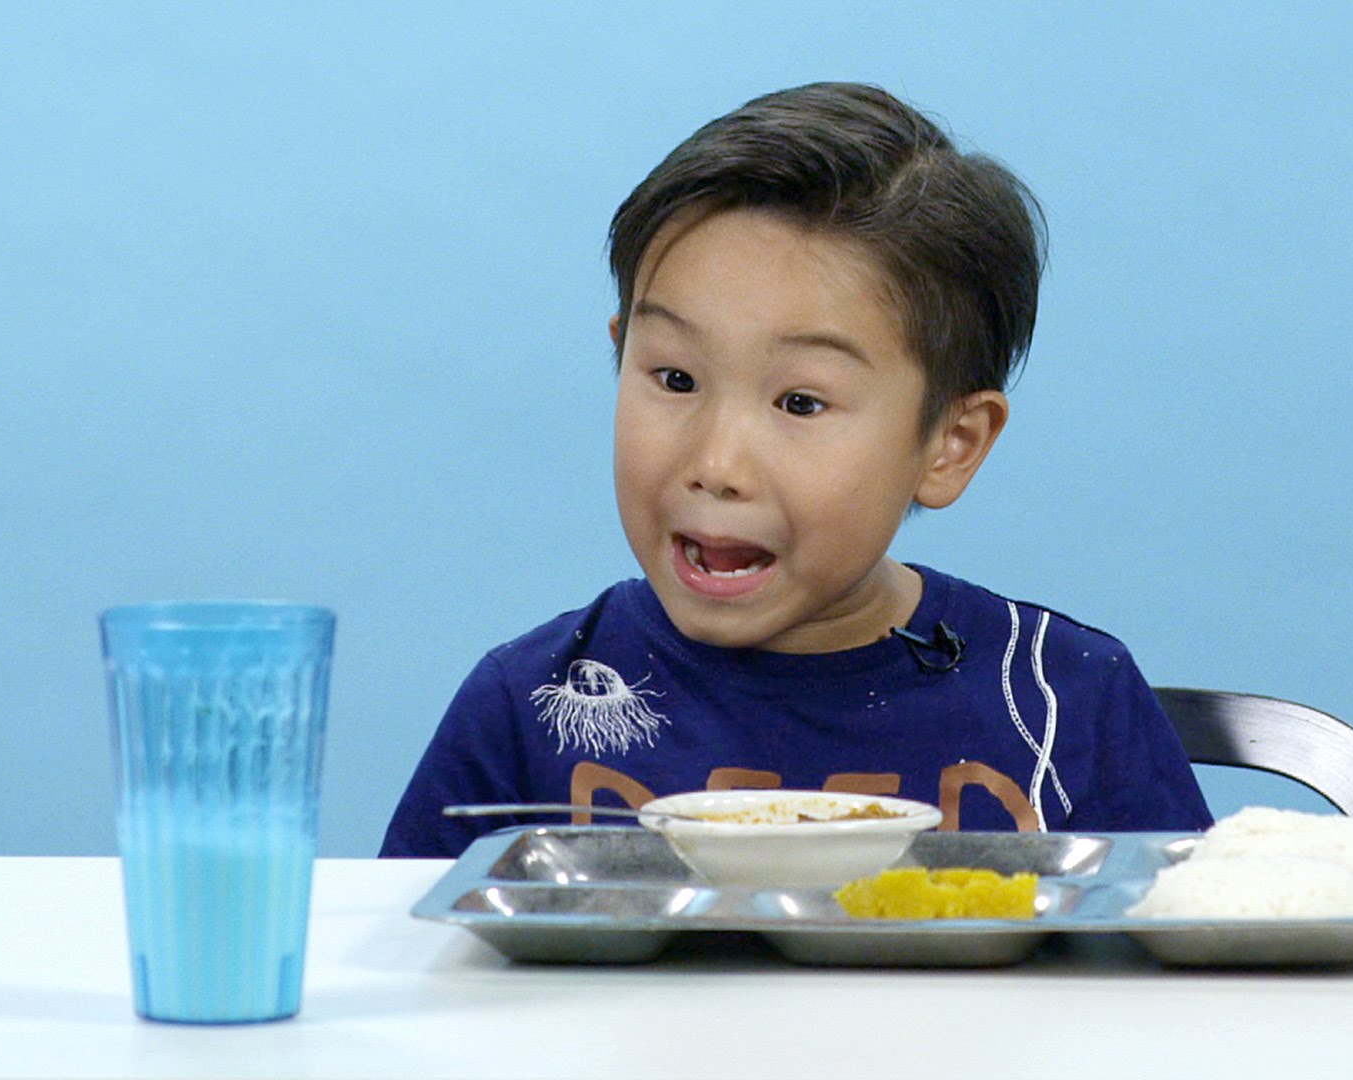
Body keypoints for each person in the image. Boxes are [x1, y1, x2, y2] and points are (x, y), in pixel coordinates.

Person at [381, 82, 1211, 857]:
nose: (717, 464)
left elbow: (1195, 996)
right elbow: (418, 987)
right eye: (675, 379)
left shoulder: (1065, 701)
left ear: (950, 444)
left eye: (801, 404)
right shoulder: (529, 708)